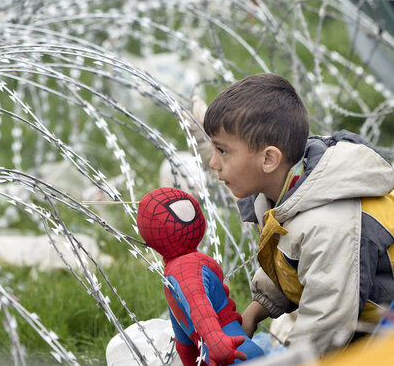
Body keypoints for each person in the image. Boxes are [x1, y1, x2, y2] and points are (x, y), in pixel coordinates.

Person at [202, 73, 394, 355]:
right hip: (363, 311)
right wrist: (257, 309)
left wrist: (289, 360)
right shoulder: (285, 191)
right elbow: (290, 258)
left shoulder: (326, 224)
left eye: (222, 150)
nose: (213, 163)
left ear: (268, 159)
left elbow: (326, 323)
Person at [138, 187, 265, 365]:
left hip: (221, 355)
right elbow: (192, 319)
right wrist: (215, 344)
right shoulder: (181, 269)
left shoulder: (176, 272)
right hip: (231, 351)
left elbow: (191, 322)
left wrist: (211, 346)